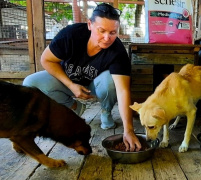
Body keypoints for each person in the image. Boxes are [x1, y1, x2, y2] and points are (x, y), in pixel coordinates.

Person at [23, 3, 141, 151]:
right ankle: (76, 108)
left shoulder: (117, 52)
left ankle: (106, 111)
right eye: (102, 31)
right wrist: (70, 85)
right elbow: (46, 60)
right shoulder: (70, 35)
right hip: (67, 81)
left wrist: (129, 130)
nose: (107, 38)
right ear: (90, 24)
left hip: (95, 87)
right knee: (30, 82)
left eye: (113, 32)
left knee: (111, 81)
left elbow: (123, 91)